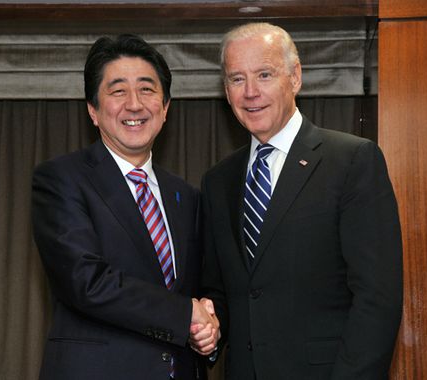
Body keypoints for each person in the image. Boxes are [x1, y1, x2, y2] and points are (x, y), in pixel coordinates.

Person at [190, 23, 403, 379]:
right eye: (237, 79)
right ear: (226, 92)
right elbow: (223, 290)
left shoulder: (352, 160)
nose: (251, 92)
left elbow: (377, 299)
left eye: (264, 74)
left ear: (295, 77)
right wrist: (209, 327)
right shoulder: (218, 181)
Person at [32, 34, 218, 380]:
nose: (134, 104)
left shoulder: (186, 195)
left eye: (147, 90)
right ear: (93, 110)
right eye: (118, 91)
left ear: (165, 109)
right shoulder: (61, 179)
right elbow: (86, 282)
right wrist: (184, 314)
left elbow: (199, 290)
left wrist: (208, 327)